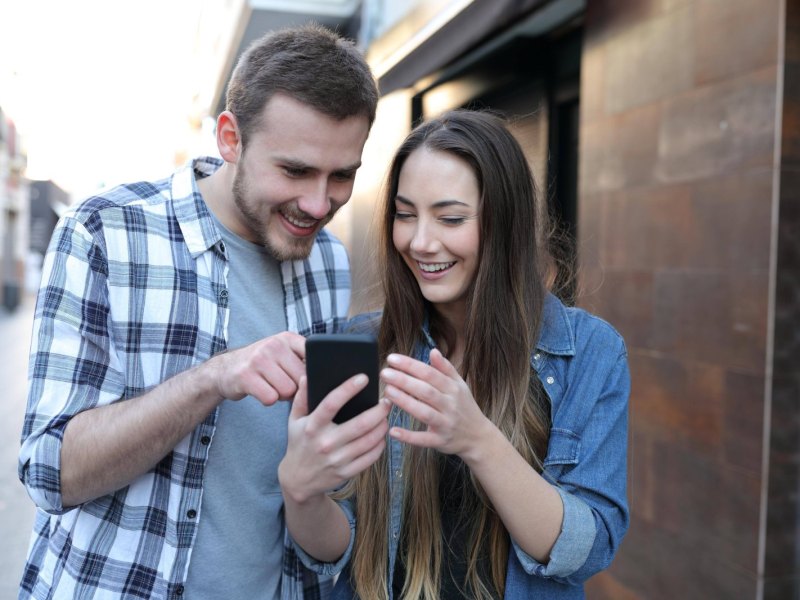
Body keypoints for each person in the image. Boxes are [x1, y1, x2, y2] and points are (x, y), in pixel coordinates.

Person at [18, 23, 380, 600]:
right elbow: (50, 471)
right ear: (230, 139)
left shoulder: (330, 262)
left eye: (342, 176)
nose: (318, 203)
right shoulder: (104, 232)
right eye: (294, 171)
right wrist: (213, 378)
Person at [278, 109, 630, 599]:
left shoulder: (590, 353)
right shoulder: (367, 344)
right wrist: (302, 493)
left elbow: (584, 550)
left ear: (505, 223)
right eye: (405, 214)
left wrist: (476, 439)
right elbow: (338, 548)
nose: (420, 241)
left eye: (451, 218)